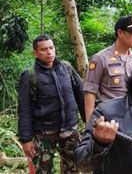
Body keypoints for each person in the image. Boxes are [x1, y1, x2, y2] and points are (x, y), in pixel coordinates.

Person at [17, 34, 85, 173]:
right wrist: (26, 139)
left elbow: (81, 95)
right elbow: (24, 108)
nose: (49, 52)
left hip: (70, 130)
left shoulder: (66, 68)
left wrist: (90, 122)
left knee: (73, 169)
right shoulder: (29, 75)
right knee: (43, 171)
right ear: (35, 53)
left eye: (51, 48)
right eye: (44, 49)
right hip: (44, 134)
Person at [83, 15, 132, 121]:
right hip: (110, 118)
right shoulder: (100, 58)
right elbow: (90, 92)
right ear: (120, 33)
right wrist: (90, 125)